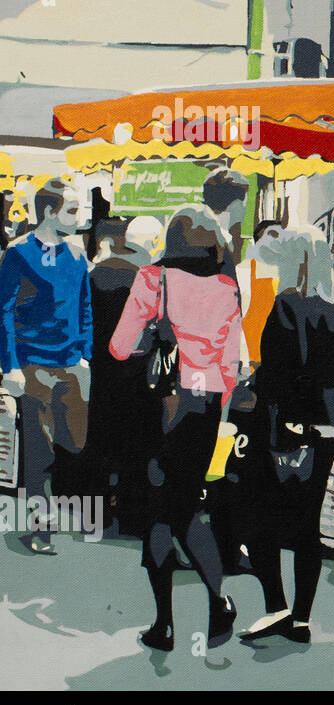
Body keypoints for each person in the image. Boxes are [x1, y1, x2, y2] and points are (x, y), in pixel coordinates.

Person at [110, 207, 242, 652]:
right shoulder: (226, 288)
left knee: (157, 514)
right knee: (186, 510)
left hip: (156, 408)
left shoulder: (152, 279)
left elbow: (119, 345)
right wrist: (214, 409)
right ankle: (218, 602)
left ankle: (163, 623)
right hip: (201, 410)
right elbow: (229, 366)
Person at [240, 228, 334, 644]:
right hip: (326, 421)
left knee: (261, 517)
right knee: (308, 523)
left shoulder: (288, 303)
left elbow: (279, 370)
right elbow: (329, 369)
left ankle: (277, 607)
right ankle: (302, 617)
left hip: (283, 422)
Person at [0, 178, 92, 555]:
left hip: (71, 365)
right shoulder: (18, 252)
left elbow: (85, 307)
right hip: (33, 364)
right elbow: (3, 310)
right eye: (73, 210)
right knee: (40, 454)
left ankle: (64, 516)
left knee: (74, 443)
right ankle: (41, 529)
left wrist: (85, 355)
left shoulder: (76, 253)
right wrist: (11, 366)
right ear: (50, 212)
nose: (81, 217)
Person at [86, 215, 163, 536]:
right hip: (140, 376)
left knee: (99, 444)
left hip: (100, 373)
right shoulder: (151, 278)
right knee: (139, 448)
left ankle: (95, 515)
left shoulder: (95, 275)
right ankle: (133, 516)